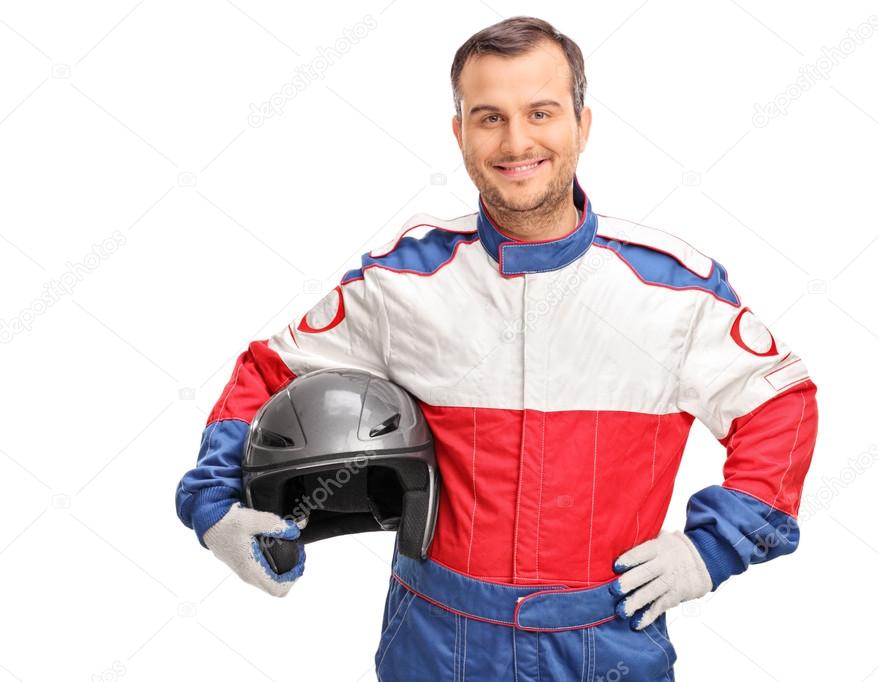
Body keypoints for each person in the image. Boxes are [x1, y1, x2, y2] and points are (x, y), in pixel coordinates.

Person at [175, 16, 819, 681]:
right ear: (459, 133)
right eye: (488, 118)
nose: (516, 141)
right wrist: (216, 505)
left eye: (539, 112)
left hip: (605, 640)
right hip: (433, 636)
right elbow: (268, 370)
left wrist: (713, 548)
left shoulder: (673, 290)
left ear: (581, 124)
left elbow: (780, 404)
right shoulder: (401, 279)